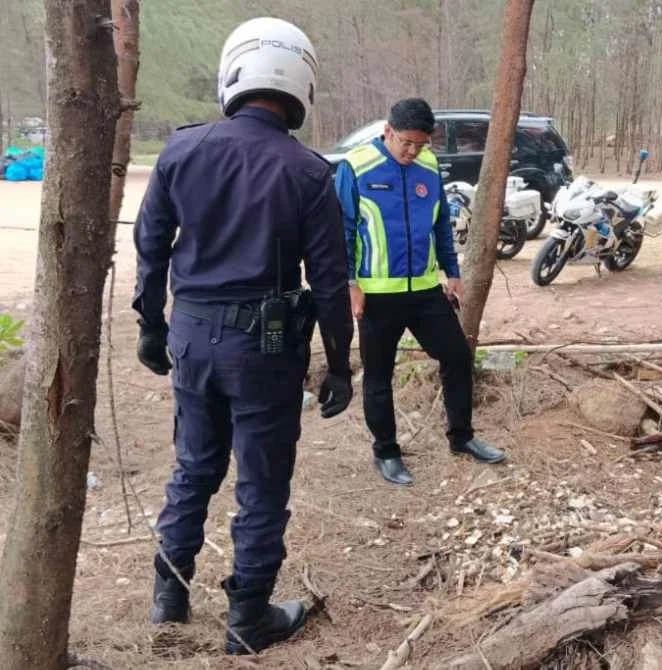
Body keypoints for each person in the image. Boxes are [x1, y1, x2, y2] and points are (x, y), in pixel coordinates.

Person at [132, 17, 354, 655]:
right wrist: (338, 364)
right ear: (301, 84)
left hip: (193, 336)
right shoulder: (309, 173)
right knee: (261, 483)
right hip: (264, 349)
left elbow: (151, 246)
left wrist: (152, 324)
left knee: (193, 465)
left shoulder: (181, 151)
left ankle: (169, 596)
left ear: (236, 73)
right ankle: (247, 618)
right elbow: (332, 283)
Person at [334, 98, 507, 487]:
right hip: (376, 295)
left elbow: (441, 224)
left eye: (421, 144)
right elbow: (341, 232)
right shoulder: (356, 168)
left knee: (457, 357)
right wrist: (351, 284)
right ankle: (387, 451)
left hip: (426, 291)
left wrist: (452, 271)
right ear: (388, 133)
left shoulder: (428, 167)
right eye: (406, 143)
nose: (413, 151)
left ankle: (461, 437)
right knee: (378, 375)